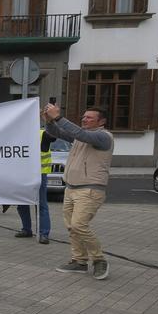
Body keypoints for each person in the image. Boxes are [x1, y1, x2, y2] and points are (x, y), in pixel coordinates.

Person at [44, 102, 114, 279]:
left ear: (101, 121)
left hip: (90, 190)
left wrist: (58, 117)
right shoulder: (81, 137)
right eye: (83, 116)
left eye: (89, 117)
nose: (84, 119)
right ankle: (79, 261)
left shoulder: (103, 137)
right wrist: (49, 121)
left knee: (79, 225)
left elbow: (79, 133)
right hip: (71, 189)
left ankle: (99, 260)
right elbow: (56, 133)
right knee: (72, 228)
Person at [15, 127, 56, 245]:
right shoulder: (18, 134)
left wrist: (51, 120)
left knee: (41, 204)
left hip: (39, 174)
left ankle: (44, 234)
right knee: (22, 203)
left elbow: (54, 136)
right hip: (22, 173)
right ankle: (26, 229)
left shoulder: (44, 134)